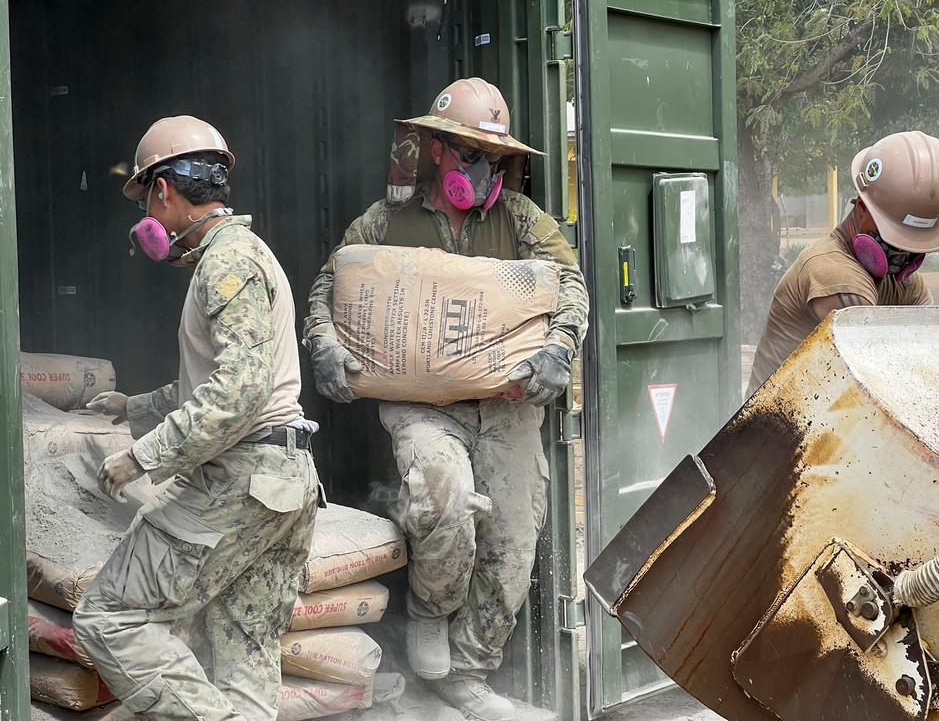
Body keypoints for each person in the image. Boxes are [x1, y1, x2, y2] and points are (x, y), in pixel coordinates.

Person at [303, 78, 589, 721]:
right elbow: (332, 284)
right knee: (444, 497)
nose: (482, 170)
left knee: (514, 542)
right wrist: (323, 345)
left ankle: (465, 674)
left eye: (494, 158)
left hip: (506, 405)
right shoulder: (387, 221)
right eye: (468, 155)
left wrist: (558, 350)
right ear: (435, 149)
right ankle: (429, 615)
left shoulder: (520, 222)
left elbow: (571, 286)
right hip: (424, 405)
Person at [73, 116, 321, 720]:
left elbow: (237, 395)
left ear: (164, 190)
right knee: (243, 650)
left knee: (107, 616)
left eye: (145, 200)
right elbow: (213, 384)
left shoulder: (227, 263)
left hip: (239, 480)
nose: (147, 221)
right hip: (282, 485)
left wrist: (141, 456)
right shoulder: (240, 255)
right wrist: (133, 408)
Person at [747, 130, 939, 396]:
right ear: (861, 208)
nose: (903, 256)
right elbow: (879, 376)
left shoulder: (898, 278)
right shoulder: (832, 271)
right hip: (774, 430)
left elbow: (933, 340)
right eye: (895, 238)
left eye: (913, 245)